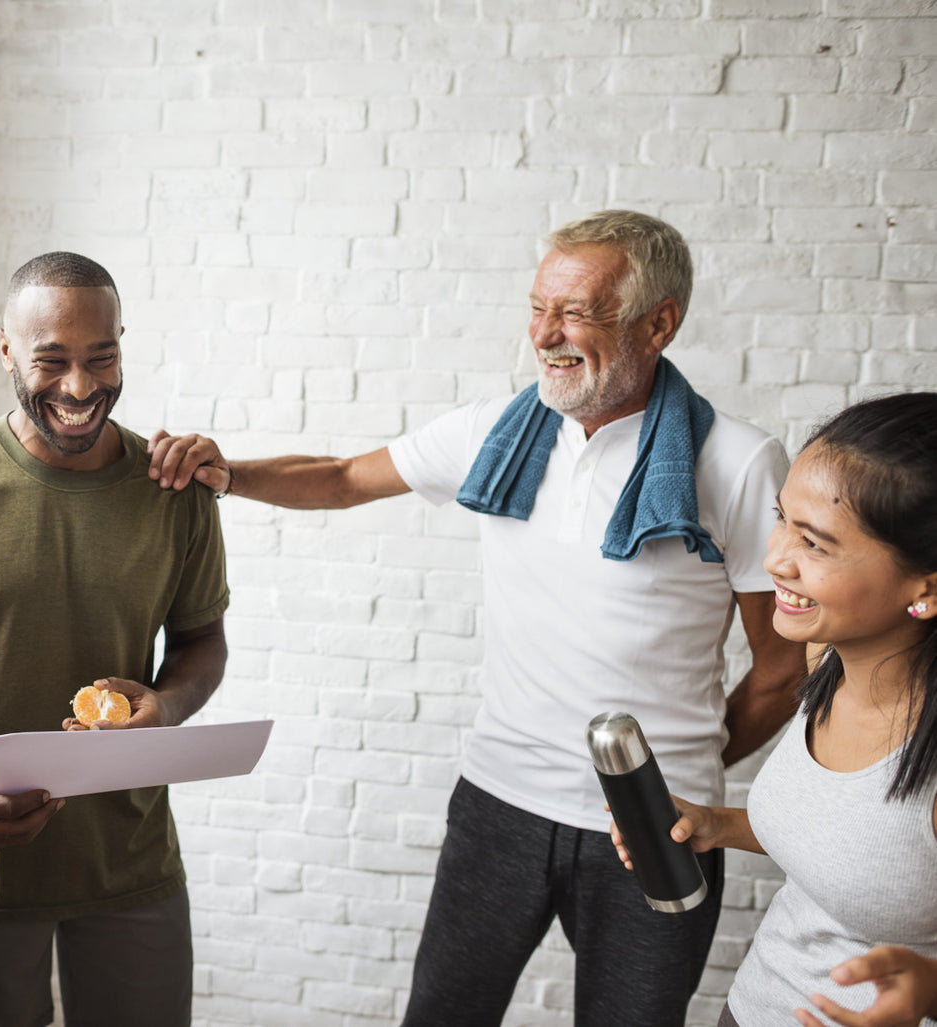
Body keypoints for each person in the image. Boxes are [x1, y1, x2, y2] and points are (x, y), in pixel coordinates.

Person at [148, 210, 810, 1026]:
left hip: (658, 827)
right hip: (497, 804)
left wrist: (672, 775)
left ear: (658, 322)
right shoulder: (495, 431)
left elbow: (781, 670)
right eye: (538, 307)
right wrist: (227, 473)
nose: (546, 334)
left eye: (576, 312)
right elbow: (343, 476)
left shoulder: (737, 462)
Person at [0, 251, 231, 1027]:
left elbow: (203, 643)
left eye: (102, 357)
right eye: (50, 360)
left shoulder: (173, 490)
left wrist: (162, 704)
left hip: (132, 866)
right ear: (4, 350)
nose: (80, 386)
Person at [613, 392, 937, 1027]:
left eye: (814, 544)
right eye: (782, 518)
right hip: (752, 1007)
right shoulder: (824, 659)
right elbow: (862, 845)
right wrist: (718, 825)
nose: (774, 559)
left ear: (925, 587)